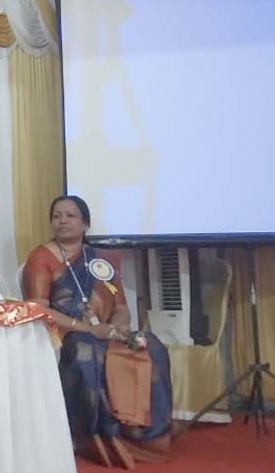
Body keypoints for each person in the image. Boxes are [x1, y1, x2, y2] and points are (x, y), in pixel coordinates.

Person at [22, 195, 171, 469]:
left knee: (151, 345)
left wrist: (118, 329)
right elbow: (38, 309)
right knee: (85, 351)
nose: (62, 221)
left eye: (70, 215)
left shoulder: (101, 260)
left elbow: (121, 307)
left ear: (86, 223)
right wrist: (88, 328)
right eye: (57, 216)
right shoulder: (40, 257)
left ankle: (143, 433)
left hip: (105, 331)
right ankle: (96, 436)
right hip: (64, 333)